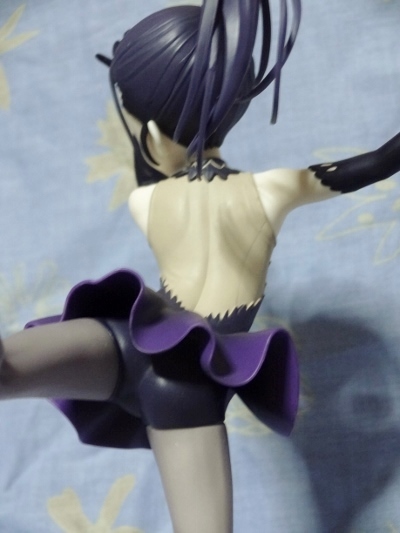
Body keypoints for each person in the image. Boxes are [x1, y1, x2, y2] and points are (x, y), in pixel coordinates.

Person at [1, 2, 399, 532]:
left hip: (136, 350)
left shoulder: (148, 200)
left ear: (147, 135)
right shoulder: (271, 191)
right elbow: (372, 165)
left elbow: (157, 157)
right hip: (170, 372)